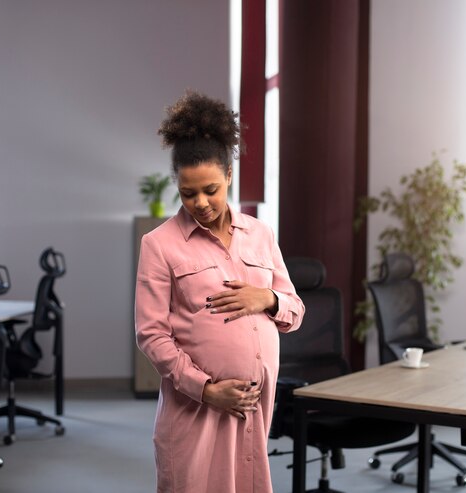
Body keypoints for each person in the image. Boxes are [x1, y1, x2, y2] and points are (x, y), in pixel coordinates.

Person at [135, 91, 305, 493]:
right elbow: (151, 334)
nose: (201, 202)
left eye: (210, 189)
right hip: (195, 409)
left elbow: (294, 309)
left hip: (253, 408)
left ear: (229, 174)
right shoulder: (159, 244)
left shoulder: (260, 234)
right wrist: (207, 390)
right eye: (188, 192)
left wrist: (266, 298)